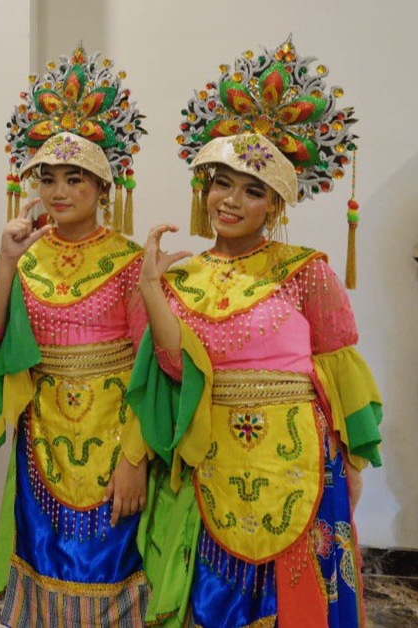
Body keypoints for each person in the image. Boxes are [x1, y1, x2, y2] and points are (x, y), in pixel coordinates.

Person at [130, 38, 382, 627]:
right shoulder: (183, 275)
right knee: (216, 598)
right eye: (221, 183)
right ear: (204, 189)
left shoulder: (307, 271)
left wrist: (354, 466)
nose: (231, 200)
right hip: (211, 457)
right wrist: (149, 289)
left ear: (276, 205)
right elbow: (175, 373)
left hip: (297, 461)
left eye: (253, 190)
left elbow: (340, 369)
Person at [0, 47, 151, 626]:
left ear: (103, 186)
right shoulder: (23, 256)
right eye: (49, 178)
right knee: (44, 564)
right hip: (43, 439)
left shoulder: (132, 262)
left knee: (111, 569)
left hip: (114, 436)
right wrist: (8, 264)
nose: (59, 192)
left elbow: (149, 366)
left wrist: (135, 459)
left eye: (75, 179)